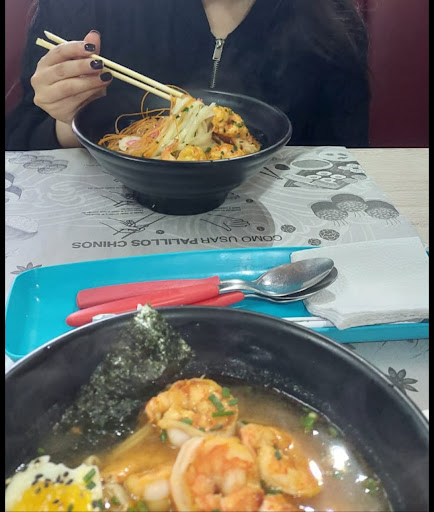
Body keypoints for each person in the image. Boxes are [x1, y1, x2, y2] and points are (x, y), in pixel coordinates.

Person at [5, 0, 371, 151]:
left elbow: (345, 160)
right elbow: (19, 145)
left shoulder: (330, 21)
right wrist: (69, 120)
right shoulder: (82, 6)